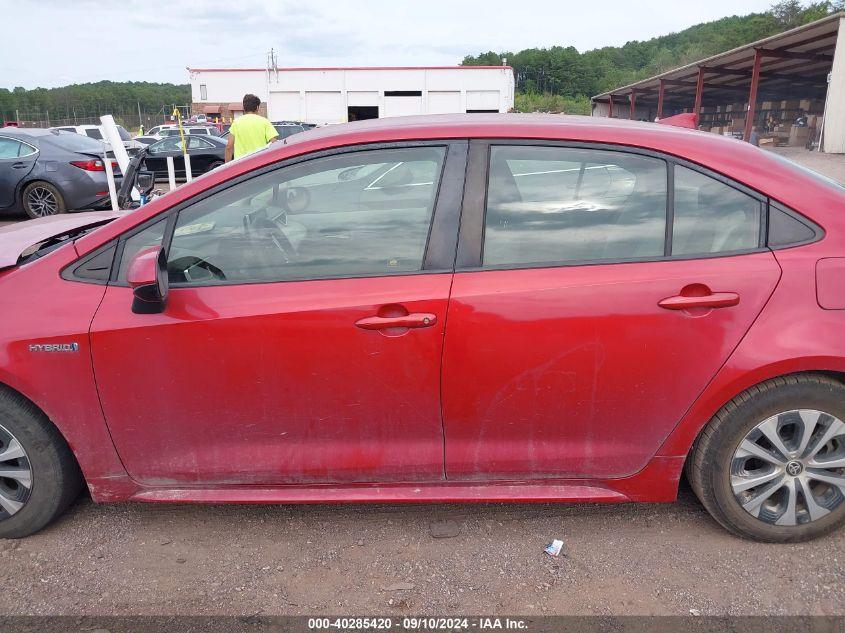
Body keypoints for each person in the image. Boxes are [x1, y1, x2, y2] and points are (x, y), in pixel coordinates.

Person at [225, 94, 279, 162]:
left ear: (244, 108)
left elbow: (229, 147)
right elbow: (274, 143)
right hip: (260, 163)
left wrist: (227, 165)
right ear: (257, 107)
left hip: (241, 164)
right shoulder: (264, 122)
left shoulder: (236, 122)